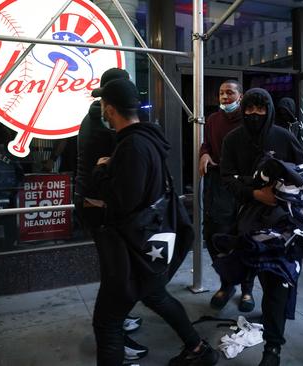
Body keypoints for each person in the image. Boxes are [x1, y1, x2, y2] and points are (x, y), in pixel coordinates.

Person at [91, 78, 218, 366]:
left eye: (102, 105)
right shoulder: (147, 138)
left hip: (132, 250)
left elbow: (124, 201)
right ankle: (198, 350)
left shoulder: (132, 145)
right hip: (146, 247)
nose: (101, 109)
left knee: (107, 322)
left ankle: (199, 351)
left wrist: (100, 172)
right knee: (155, 295)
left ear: (110, 110)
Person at [220, 88, 303, 366]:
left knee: (277, 286)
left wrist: (285, 190)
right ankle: (243, 293)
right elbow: (226, 177)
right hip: (246, 222)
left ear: (269, 110)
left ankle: (273, 348)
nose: (255, 115)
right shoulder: (233, 139)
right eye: (250, 109)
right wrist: (255, 194)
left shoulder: (283, 136)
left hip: (282, 225)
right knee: (246, 272)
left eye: (261, 110)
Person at [74, 68, 148, 363]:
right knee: (115, 274)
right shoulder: (103, 122)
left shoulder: (101, 117)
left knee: (117, 271)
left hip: (98, 203)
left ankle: (120, 319)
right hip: (97, 206)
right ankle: (114, 333)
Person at [198, 80, 255, 312]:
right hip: (219, 188)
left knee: (246, 238)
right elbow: (207, 145)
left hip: (244, 188)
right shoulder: (212, 120)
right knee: (217, 237)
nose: (224, 97)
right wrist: (204, 154)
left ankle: (247, 289)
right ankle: (226, 284)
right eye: (221, 93)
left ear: (240, 96)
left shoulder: (249, 120)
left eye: (230, 93)